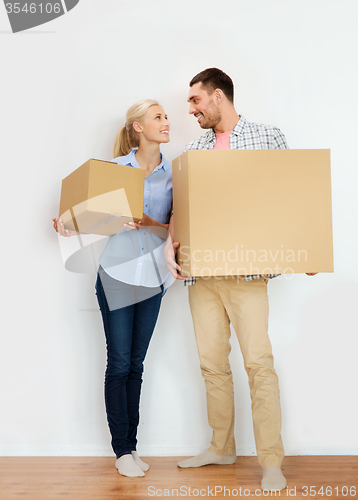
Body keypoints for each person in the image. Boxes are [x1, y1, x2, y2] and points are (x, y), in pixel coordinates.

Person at [165, 68, 317, 492]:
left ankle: (271, 460)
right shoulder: (194, 147)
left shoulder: (267, 136)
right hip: (202, 274)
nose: (191, 110)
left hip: (247, 273)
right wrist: (169, 244)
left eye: (195, 101)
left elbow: (293, 194)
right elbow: (182, 207)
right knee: (212, 364)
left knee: (257, 364)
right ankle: (221, 446)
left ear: (217, 97)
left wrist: (305, 247)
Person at [53, 99, 172, 478]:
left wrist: (149, 220)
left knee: (137, 365)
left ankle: (132, 447)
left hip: (154, 279)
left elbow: (177, 228)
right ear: (138, 127)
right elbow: (82, 220)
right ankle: (121, 450)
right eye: (159, 117)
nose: (167, 122)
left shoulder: (176, 174)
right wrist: (66, 225)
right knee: (119, 362)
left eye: (166, 116)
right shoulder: (114, 171)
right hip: (117, 276)